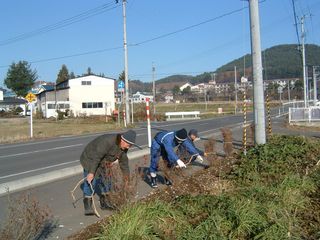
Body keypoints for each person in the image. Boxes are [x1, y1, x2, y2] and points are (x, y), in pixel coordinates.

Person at [80, 129, 138, 215]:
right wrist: (91, 173)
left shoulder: (123, 147)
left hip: (104, 161)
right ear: (122, 140)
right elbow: (96, 157)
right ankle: (87, 205)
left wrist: (127, 180)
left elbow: (124, 163)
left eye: (130, 146)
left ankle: (105, 202)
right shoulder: (107, 141)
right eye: (128, 145)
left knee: (107, 180)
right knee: (91, 181)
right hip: (90, 159)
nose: (128, 147)